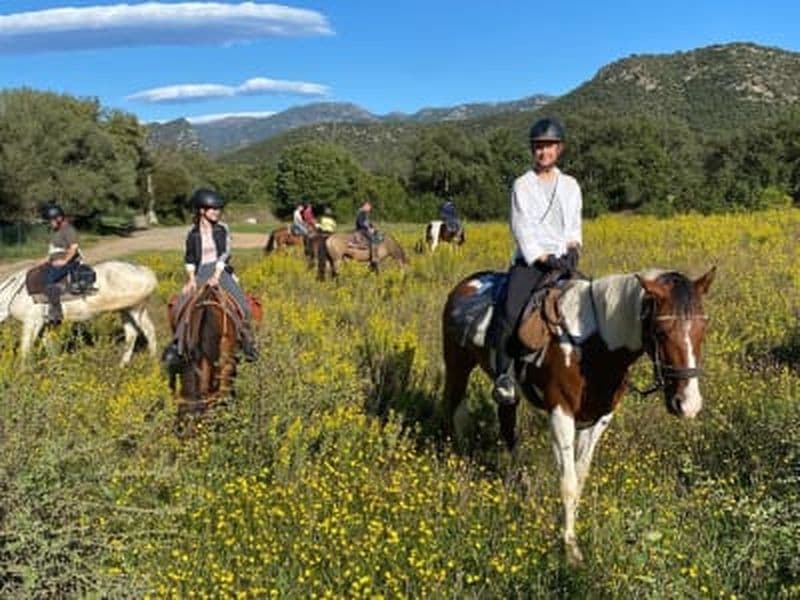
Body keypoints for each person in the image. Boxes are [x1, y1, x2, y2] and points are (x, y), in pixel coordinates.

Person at [488, 117, 583, 406]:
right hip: (532, 262)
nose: (544, 152)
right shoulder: (522, 184)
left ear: (559, 149)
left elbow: (574, 222)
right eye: (539, 147)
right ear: (533, 150)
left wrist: (573, 248)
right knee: (510, 310)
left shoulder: (570, 185)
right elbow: (521, 226)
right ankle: (504, 377)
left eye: (549, 146)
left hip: (562, 259)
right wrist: (542, 256)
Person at [162, 188, 258, 367]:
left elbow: (225, 253)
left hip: (220, 270)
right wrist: (191, 279)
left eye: (218, 209)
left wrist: (217, 275)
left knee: (243, 305)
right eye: (213, 209)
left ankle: (247, 342)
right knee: (180, 304)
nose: (217, 212)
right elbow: (190, 258)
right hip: (200, 273)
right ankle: (178, 345)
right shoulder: (193, 234)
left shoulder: (222, 230)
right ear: (202, 211)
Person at [41, 204, 81, 325]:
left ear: (59, 218)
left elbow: (74, 247)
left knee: (49, 279)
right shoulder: (56, 230)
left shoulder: (68, 229)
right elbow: (53, 248)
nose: (50, 223)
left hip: (71, 262)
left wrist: (64, 261)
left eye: (51, 220)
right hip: (56, 260)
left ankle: (56, 313)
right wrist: (46, 259)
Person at [354, 201, 378, 268]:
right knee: (374, 239)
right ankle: (373, 257)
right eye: (369, 207)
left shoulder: (364, 213)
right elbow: (361, 222)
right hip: (361, 230)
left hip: (364, 229)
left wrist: (373, 227)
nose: (370, 208)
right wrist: (369, 229)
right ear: (365, 206)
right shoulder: (361, 213)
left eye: (370, 207)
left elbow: (368, 223)